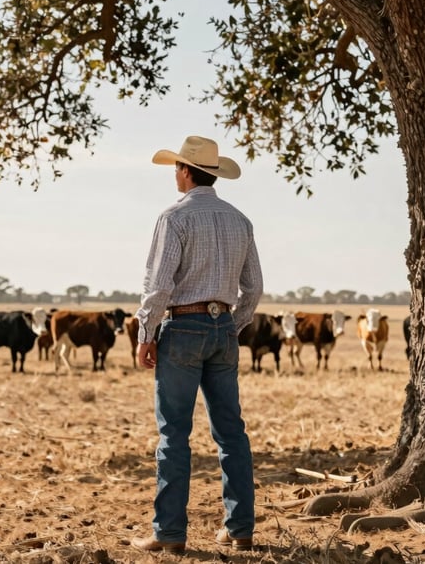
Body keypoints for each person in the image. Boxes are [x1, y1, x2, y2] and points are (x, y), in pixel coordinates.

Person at [130, 135, 264, 554]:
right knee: (231, 433)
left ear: (187, 172)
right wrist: (232, 325)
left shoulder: (174, 218)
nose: (174, 173)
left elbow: (158, 285)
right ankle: (240, 529)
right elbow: (254, 288)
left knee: (173, 434)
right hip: (222, 328)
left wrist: (146, 334)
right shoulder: (240, 220)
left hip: (183, 328)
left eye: (176, 167)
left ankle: (169, 534)